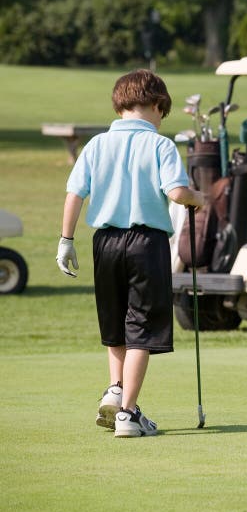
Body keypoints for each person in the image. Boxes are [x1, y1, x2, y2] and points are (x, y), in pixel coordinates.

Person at [57, 69, 205, 437]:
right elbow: (176, 193)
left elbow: (75, 194)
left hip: (104, 243)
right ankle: (128, 413)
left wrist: (65, 240)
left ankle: (116, 388)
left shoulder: (95, 145)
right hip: (146, 243)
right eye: (162, 112)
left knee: (116, 321)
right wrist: (198, 199)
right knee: (142, 326)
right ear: (157, 105)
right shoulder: (161, 145)